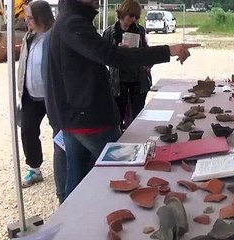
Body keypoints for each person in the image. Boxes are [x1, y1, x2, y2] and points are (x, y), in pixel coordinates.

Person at [47, 0, 199, 197]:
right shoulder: (72, 23)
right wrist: (169, 50)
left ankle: (70, 222)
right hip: (89, 119)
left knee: (75, 181)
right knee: (122, 175)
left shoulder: (67, 21)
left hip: (74, 117)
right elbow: (113, 56)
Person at [17, 0, 67, 204]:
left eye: (29, 18)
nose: (26, 21)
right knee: (27, 130)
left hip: (52, 96)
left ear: (41, 17)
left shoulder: (56, 36)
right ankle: (35, 168)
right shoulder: (29, 36)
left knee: (60, 134)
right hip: (30, 95)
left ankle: (66, 172)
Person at [103, 0, 151, 131]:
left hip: (138, 79)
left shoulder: (140, 30)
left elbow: (146, 52)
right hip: (118, 81)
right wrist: (117, 52)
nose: (133, 19)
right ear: (122, 13)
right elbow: (103, 55)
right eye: (131, 16)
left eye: (136, 17)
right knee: (117, 115)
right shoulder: (110, 32)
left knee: (138, 116)